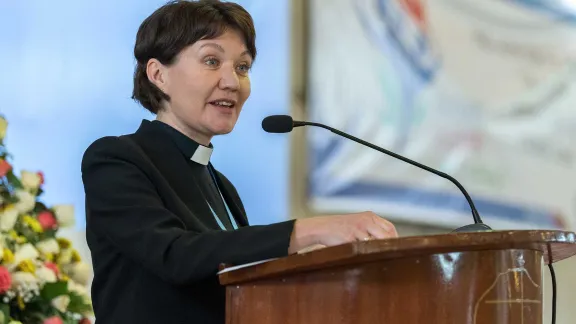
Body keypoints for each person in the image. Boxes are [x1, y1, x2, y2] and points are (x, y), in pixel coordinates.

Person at [80, 1, 398, 323]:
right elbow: (174, 254)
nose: (232, 82)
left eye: (242, 67)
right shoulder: (117, 159)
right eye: (211, 60)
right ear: (158, 74)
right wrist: (310, 229)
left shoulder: (221, 185)